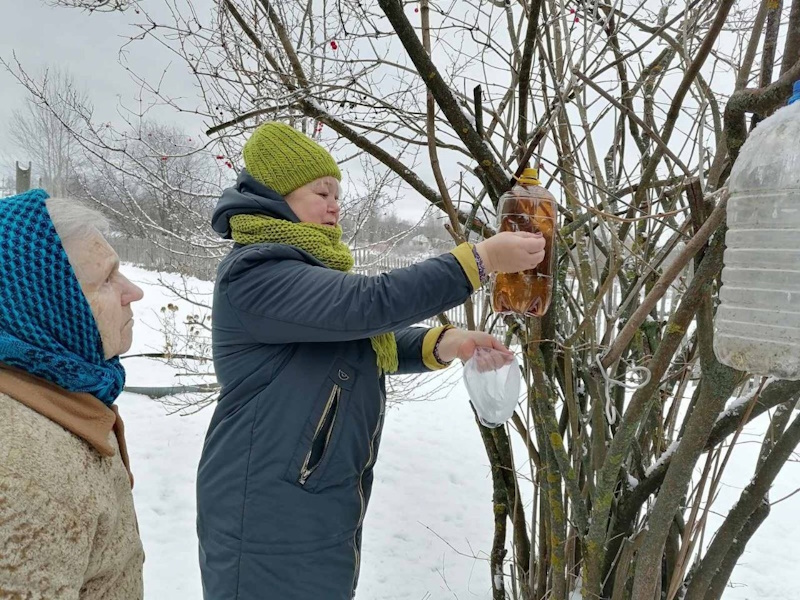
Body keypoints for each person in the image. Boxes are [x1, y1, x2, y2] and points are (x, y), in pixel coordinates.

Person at [196, 122, 546, 599]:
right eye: (322, 192)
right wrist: (478, 261)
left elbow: (355, 340)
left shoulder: (297, 273)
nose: (335, 204)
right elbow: (366, 305)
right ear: (277, 195)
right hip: (263, 517)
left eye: (337, 192)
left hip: (316, 504)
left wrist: (448, 343)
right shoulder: (256, 272)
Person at [0, 190, 146, 599]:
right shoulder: (21, 476)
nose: (133, 291)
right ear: (42, 307)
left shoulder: (56, 393)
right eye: (106, 279)